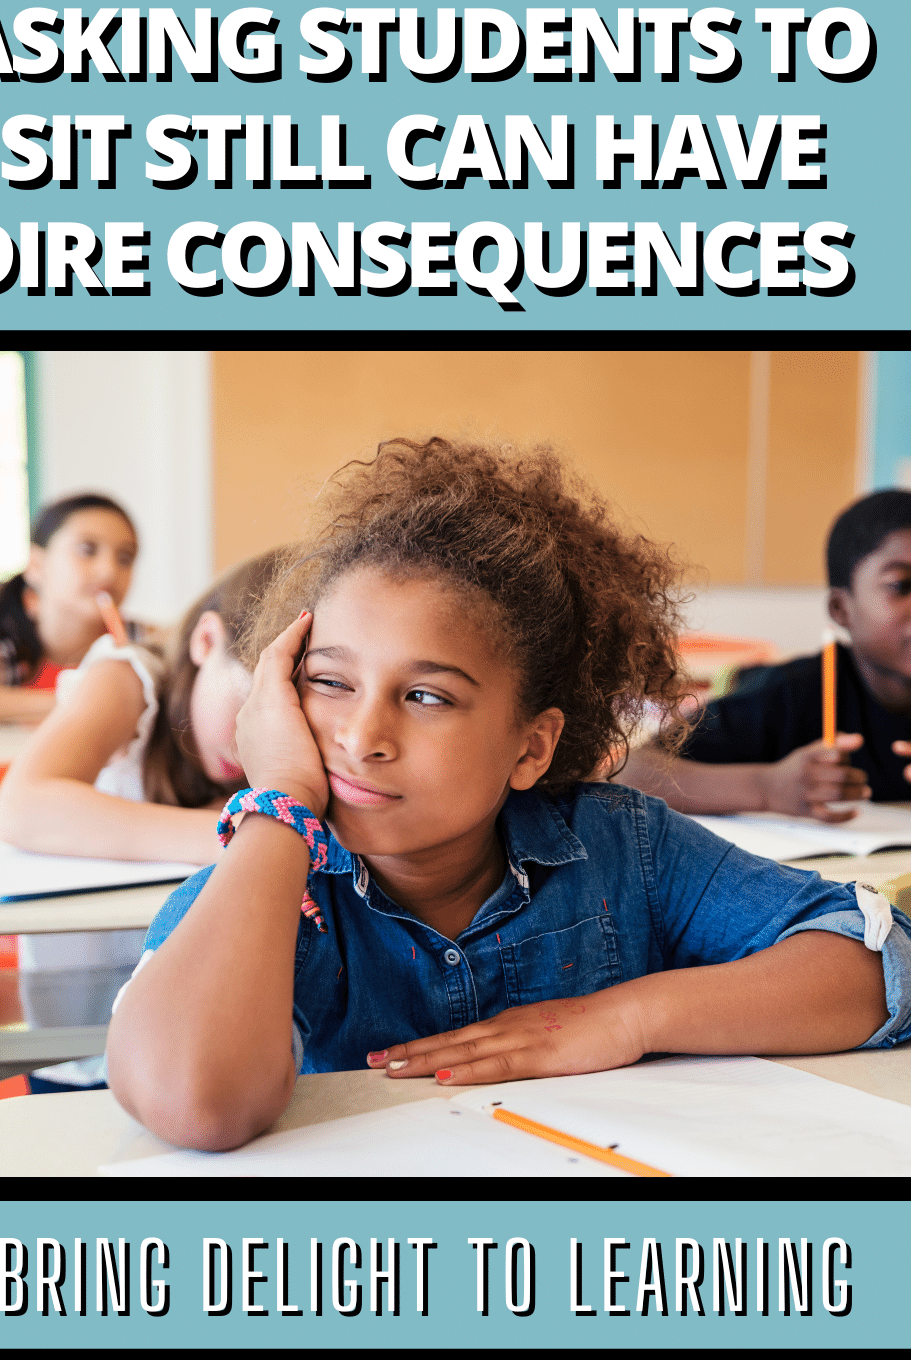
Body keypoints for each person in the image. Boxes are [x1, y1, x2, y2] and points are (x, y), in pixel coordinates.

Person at [106, 440, 910, 1153]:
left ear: (532, 747)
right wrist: (279, 804)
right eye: (328, 683)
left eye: (427, 697)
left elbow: (879, 961)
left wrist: (626, 1017)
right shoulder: (276, 885)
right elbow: (194, 1100)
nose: (362, 735)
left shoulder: (621, 846)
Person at [0, 549, 280, 1091]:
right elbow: (21, 806)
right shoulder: (129, 677)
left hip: (199, 1045)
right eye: (244, 710)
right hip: (82, 1040)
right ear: (206, 642)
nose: (252, 745)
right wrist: (241, 835)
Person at [623, 489, 911, 819]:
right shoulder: (790, 693)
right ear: (841, 609)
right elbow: (631, 772)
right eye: (901, 585)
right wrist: (766, 787)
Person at [0, 493, 143, 726]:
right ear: (37, 565)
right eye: (87, 550)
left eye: (125, 557)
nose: (109, 571)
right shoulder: (9, 651)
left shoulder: (142, 644)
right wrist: (69, 701)